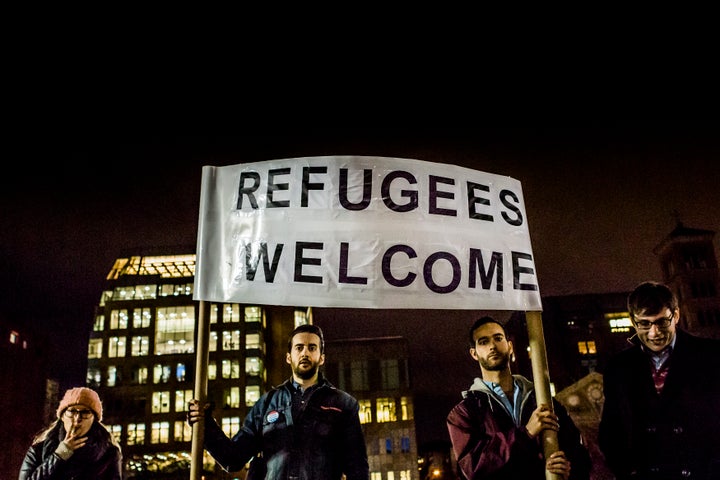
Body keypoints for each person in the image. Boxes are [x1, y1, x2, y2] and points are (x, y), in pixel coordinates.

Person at [188, 323, 369, 480]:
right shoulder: (267, 404)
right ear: (288, 356)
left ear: (321, 357)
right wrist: (205, 425)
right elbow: (233, 458)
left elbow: (357, 469)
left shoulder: (343, 404)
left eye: (312, 347)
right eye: (299, 348)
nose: (305, 352)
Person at [599, 280, 720, 480]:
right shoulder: (618, 369)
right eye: (644, 323)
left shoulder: (711, 357)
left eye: (662, 322)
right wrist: (627, 471)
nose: (654, 333)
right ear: (632, 321)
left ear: (676, 315)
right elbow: (611, 431)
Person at [447, 316, 590, 480]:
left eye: (498, 338)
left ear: (509, 346)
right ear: (474, 353)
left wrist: (569, 469)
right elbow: (474, 466)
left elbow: (578, 453)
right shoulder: (464, 413)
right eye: (484, 342)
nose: (492, 346)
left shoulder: (542, 399)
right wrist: (526, 433)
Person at [19, 386, 122, 480]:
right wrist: (59, 455)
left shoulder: (109, 454)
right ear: (63, 416)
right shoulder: (39, 450)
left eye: (85, 412)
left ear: (94, 419)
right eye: (72, 411)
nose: (77, 419)